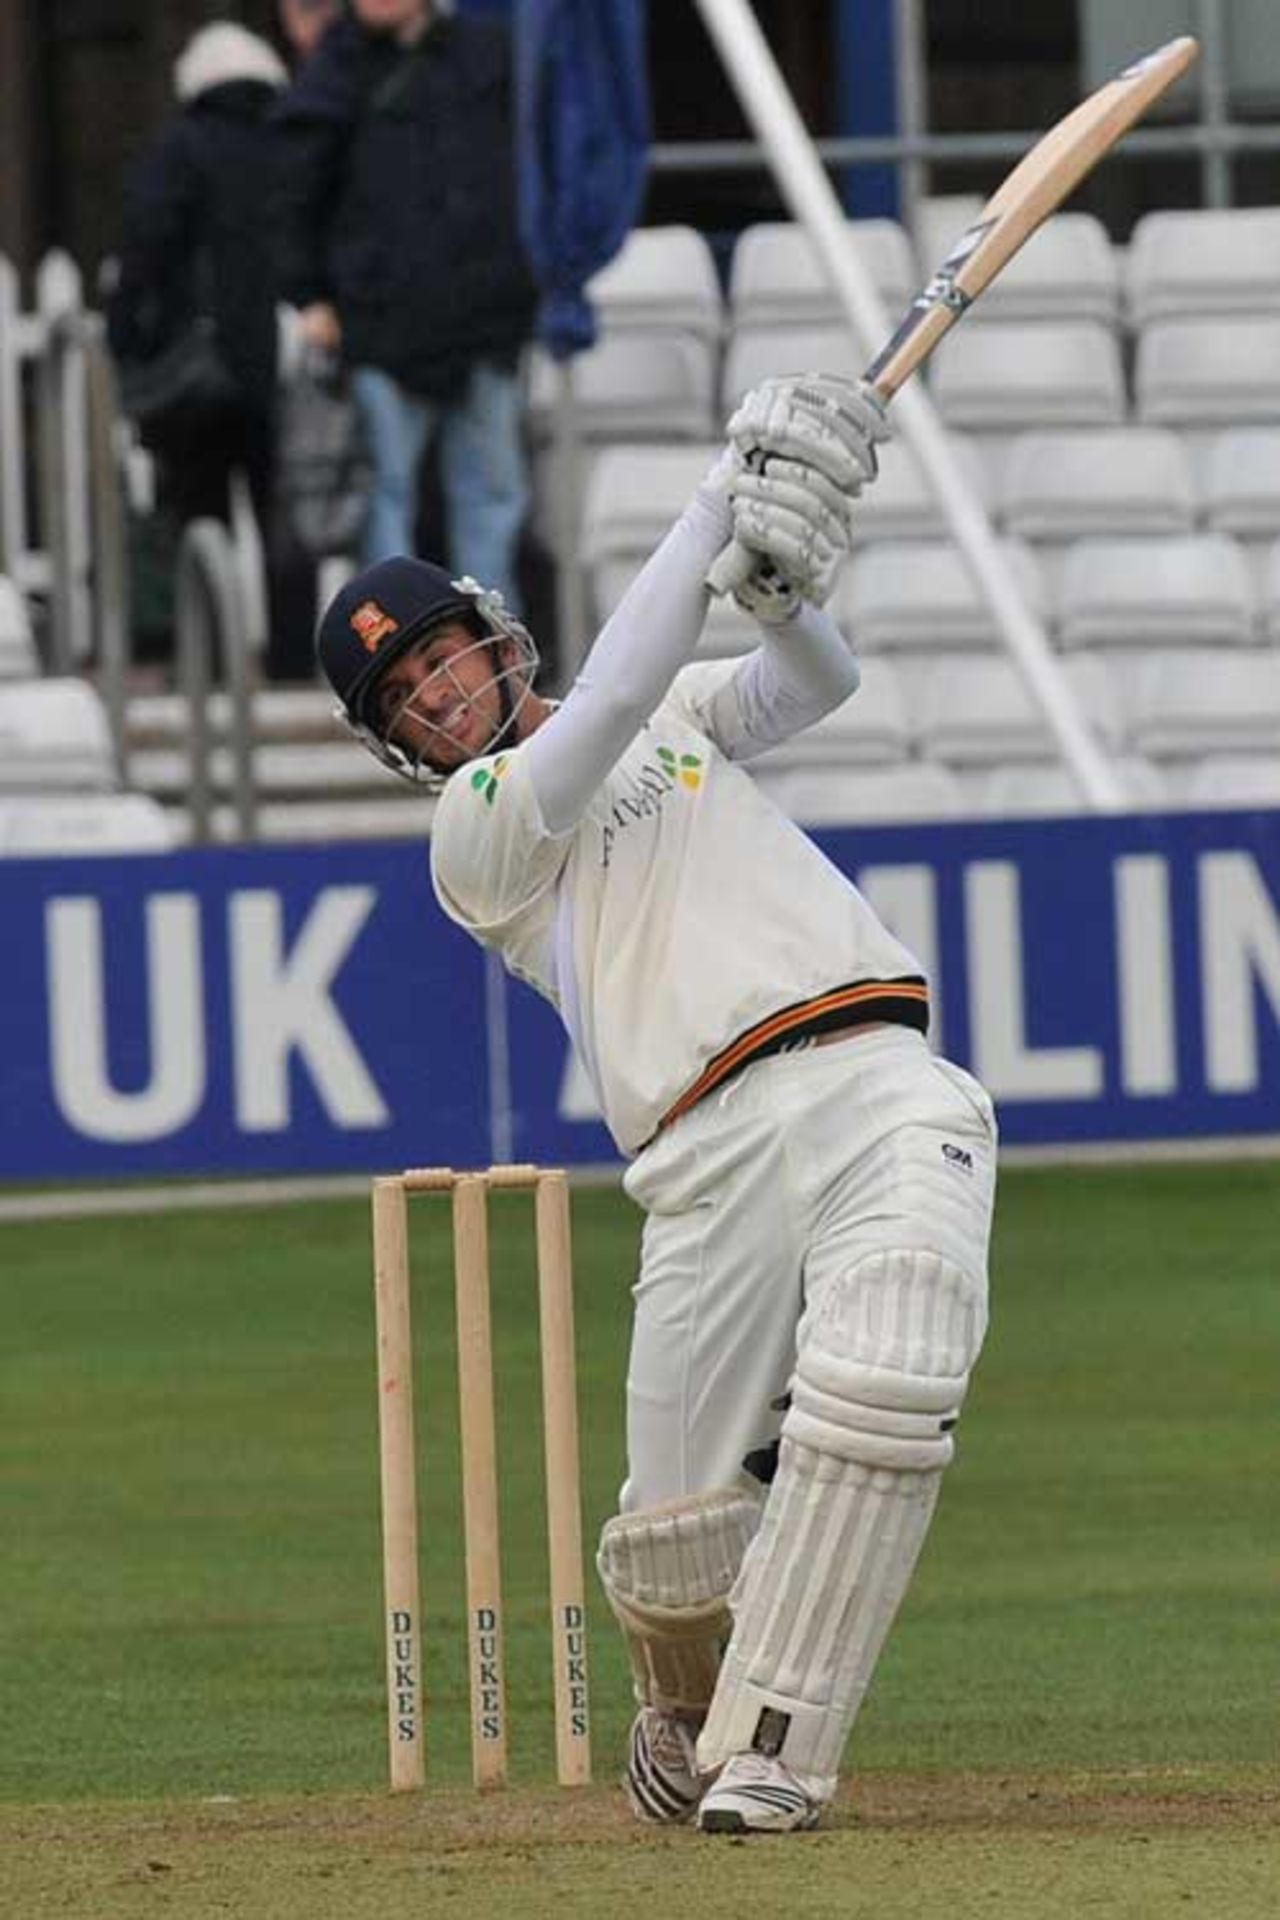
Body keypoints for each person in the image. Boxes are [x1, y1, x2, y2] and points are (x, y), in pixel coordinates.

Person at [315, 373, 998, 1834]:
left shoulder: (678, 714)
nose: (438, 693)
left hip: (878, 1068)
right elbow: (615, 688)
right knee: (674, 1548)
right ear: (401, 744)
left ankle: (775, 1752)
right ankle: (686, 1706)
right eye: (407, 698)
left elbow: (814, 686)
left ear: (492, 630)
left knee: (887, 1374)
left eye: (440, 655)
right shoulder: (479, 835)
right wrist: (712, 497)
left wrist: (776, 590)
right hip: (703, 1155)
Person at [271, 0, 535, 603]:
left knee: (488, 499)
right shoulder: (335, 71)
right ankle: (395, 661)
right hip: (379, 324)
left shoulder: (487, 52)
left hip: (480, 318)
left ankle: (495, 657)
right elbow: (291, 195)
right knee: (385, 501)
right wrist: (310, 295)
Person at [105, 22, 316, 682]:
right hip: (283, 361)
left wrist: (130, 340)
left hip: (200, 371)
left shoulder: (178, 148)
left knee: (200, 517)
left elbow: (144, 250)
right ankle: (288, 658)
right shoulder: (295, 144)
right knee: (286, 518)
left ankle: (208, 662)